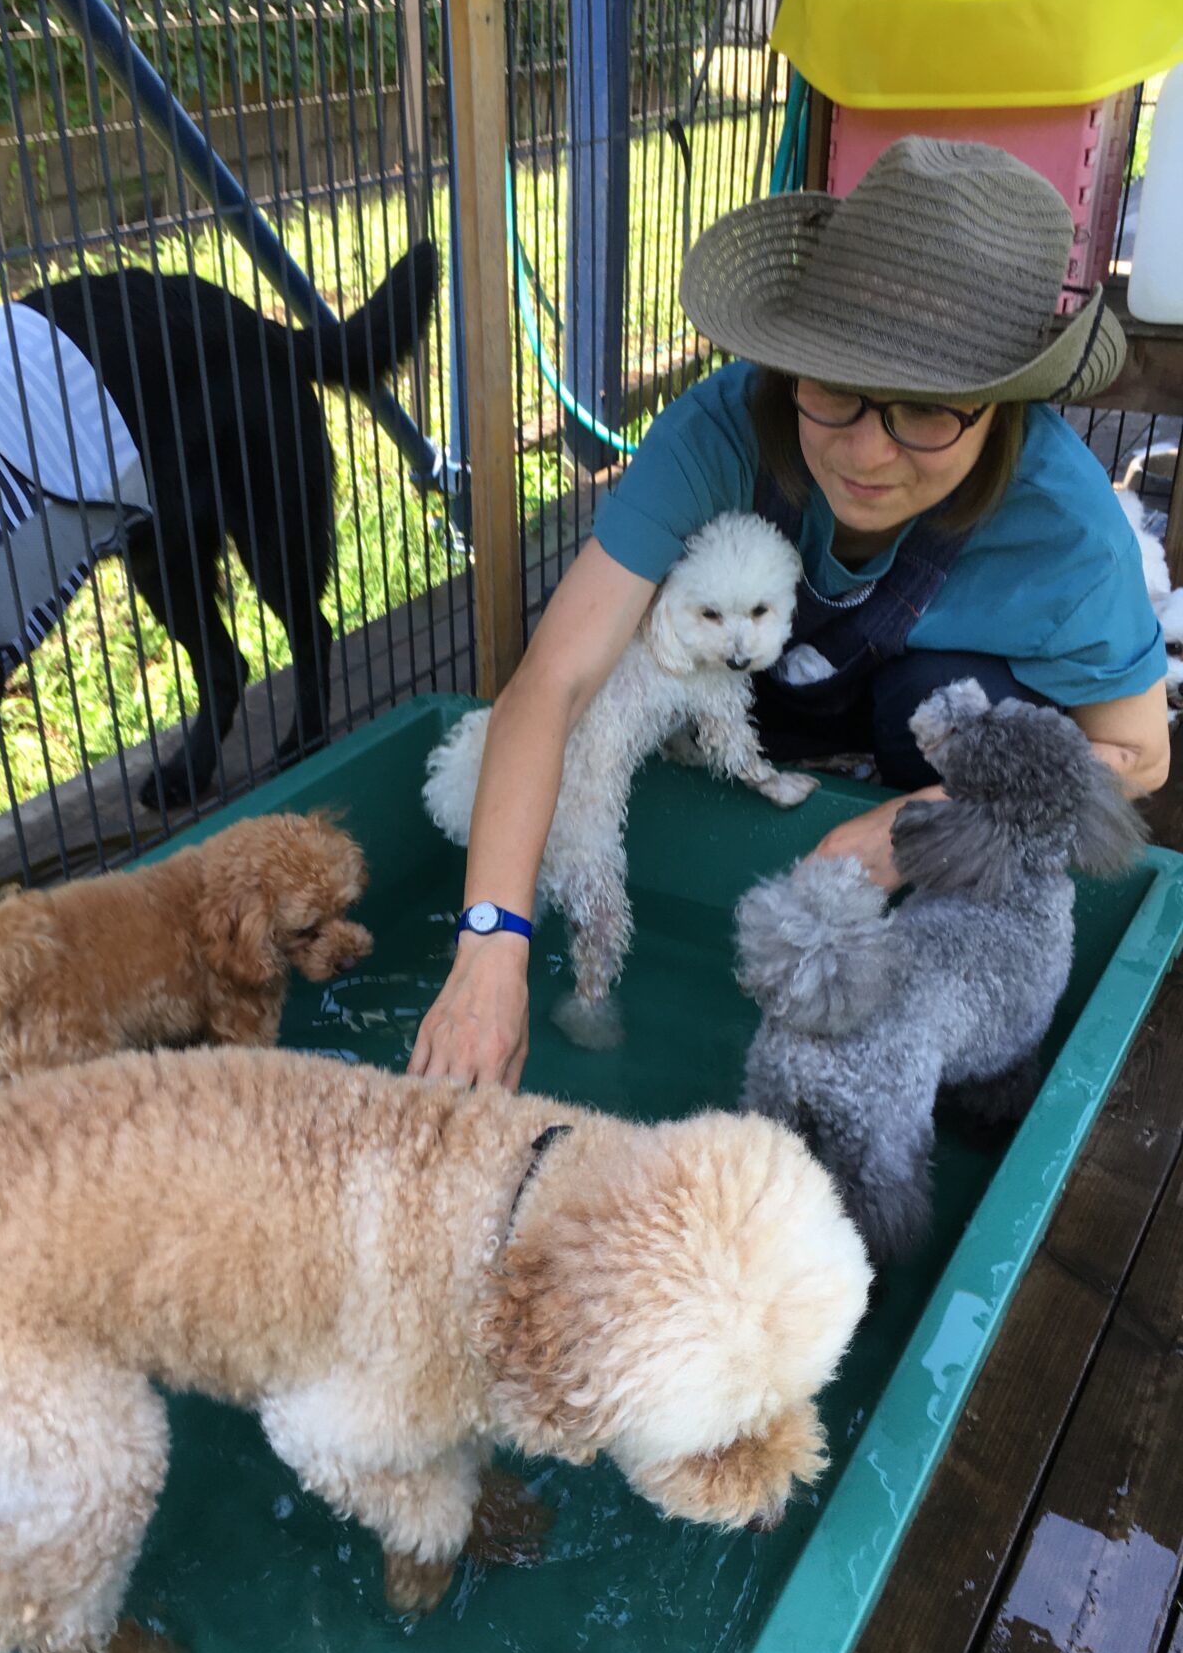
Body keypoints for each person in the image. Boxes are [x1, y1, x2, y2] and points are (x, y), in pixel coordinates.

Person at [408, 136, 1170, 1090]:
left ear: (1003, 406)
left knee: (940, 697)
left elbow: (1140, 756)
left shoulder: (1066, 525)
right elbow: (554, 679)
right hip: (753, 716)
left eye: (929, 409)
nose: (868, 453)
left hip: (922, 758)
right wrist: (491, 949)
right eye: (836, 387)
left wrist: (912, 827)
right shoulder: (719, 431)